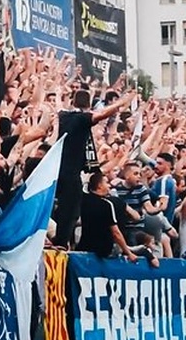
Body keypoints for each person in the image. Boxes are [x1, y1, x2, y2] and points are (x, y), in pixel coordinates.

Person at [54, 89, 134, 248]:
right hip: (72, 174)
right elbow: (102, 114)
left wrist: (57, 94)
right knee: (70, 212)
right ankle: (61, 243)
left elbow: (58, 105)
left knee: (66, 211)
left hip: (60, 171)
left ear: (73, 102)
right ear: (89, 104)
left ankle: (63, 242)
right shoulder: (82, 118)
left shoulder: (63, 116)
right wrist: (121, 102)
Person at [78, 172, 158, 268]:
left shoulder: (84, 200)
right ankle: (144, 252)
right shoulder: (108, 204)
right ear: (99, 186)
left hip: (85, 246)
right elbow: (116, 233)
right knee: (122, 248)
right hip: (105, 250)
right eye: (106, 183)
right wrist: (129, 253)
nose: (109, 186)